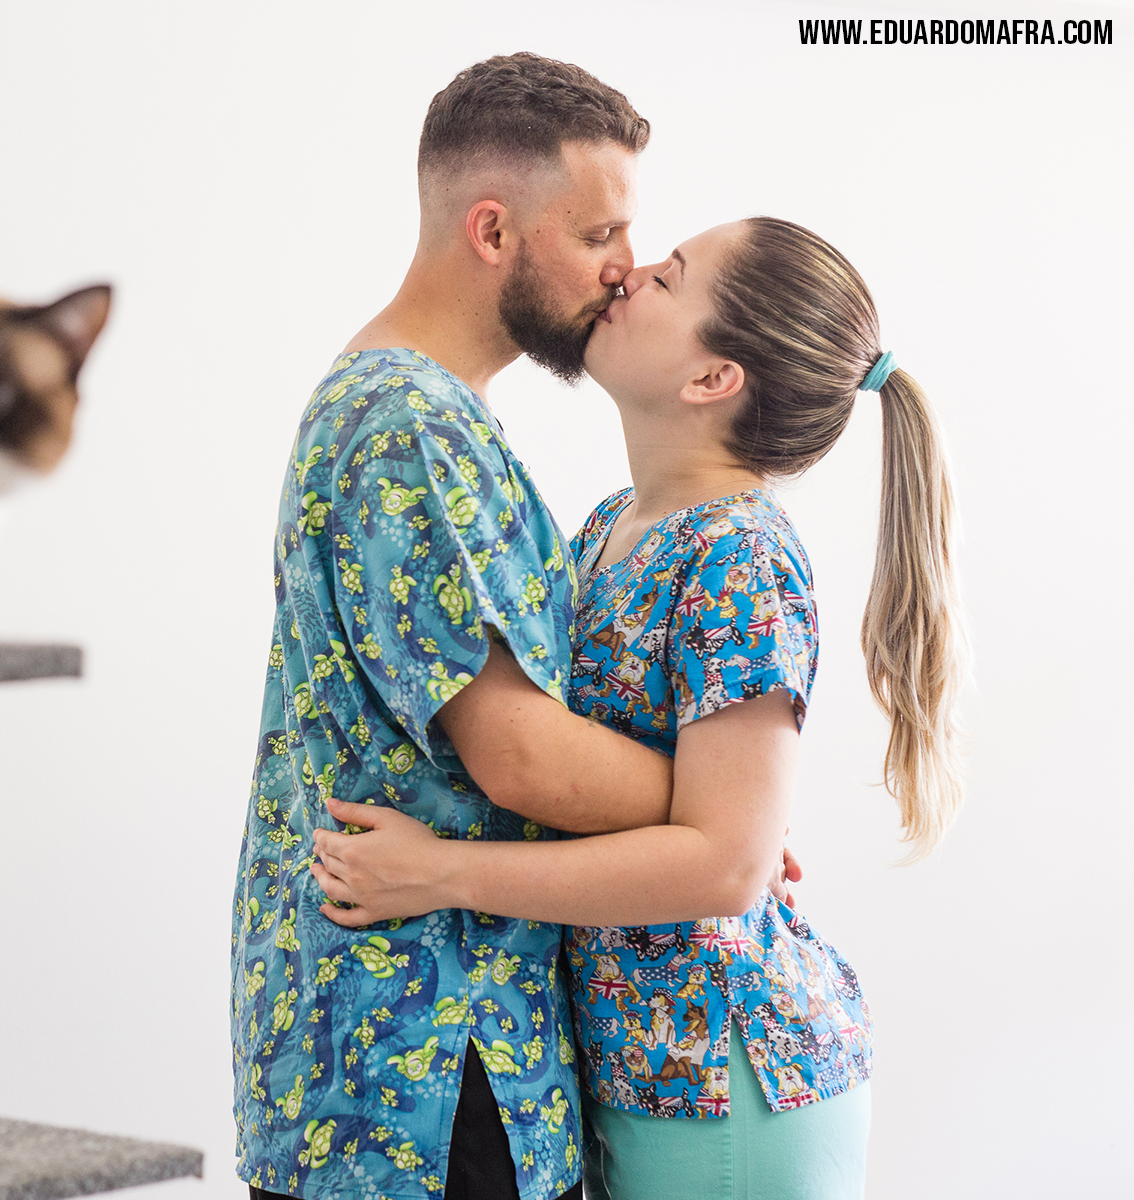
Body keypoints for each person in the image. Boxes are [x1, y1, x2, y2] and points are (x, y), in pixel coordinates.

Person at [308, 217, 967, 1200]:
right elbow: (692, 820)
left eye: (669, 276)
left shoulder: (741, 554)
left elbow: (726, 868)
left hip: (726, 1083)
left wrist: (440, 874)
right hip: (637, 1075)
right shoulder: (611, 526)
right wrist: (709, 814)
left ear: (713, 378)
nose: (629, 273)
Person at [233, 53, 686, 1200]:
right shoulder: (408, 427)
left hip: (413, 1052)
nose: (626, 268)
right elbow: (520, 755)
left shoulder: (421, 407)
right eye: (600, 234)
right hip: (425, 1067)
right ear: (493, 230)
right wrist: (721, 815)